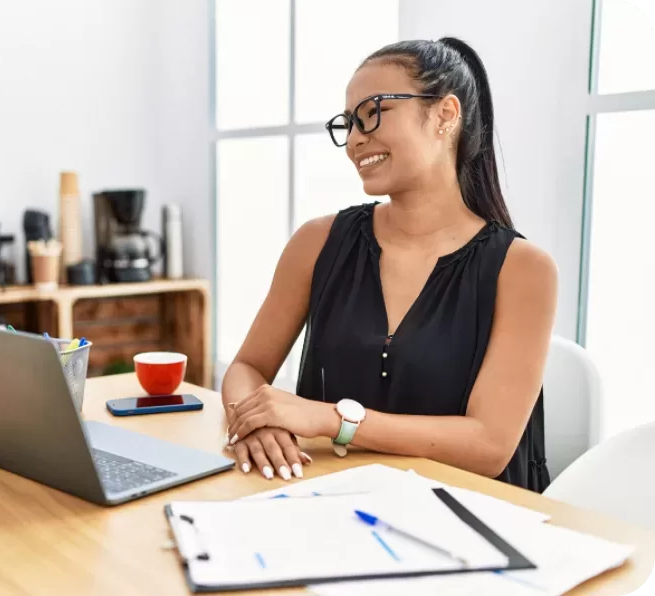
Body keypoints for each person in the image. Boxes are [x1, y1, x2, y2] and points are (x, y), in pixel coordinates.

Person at [221, 37, 557, 493]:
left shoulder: (523, 269)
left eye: (374, 112)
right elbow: (247, 367)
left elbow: (489, 445)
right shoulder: (317, 243)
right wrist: (257, 422)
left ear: (445, 115)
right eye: (349, 123)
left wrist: (328, 419)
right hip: (332, 501)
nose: (356, 140)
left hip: (474, 519)